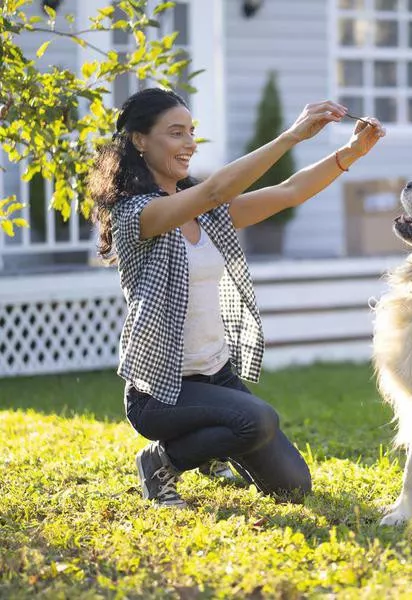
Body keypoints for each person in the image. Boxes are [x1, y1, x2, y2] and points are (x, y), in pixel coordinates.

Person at [89, 87, 385, 507]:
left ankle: (210, 451)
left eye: (191, 132)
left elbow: (289, 192)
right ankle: (161, 461)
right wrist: (292, 135)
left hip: (217, 375)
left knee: (292, 487)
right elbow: (213, 191)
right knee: (258, 419)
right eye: (176, 133)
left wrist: (352, 152)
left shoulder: (206, 215)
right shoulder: (137, 214)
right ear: (140, 140)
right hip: (161, 392)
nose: (189, 143)